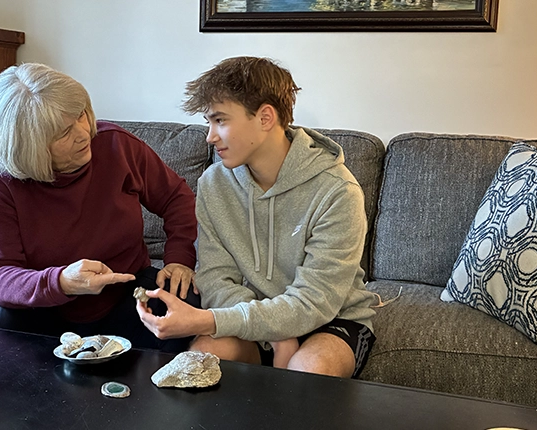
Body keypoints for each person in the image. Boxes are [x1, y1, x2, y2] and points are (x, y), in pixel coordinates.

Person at [136, 56, 379, 377]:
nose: (210, 136)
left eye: (220, 120)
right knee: (204, 358)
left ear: (265, 117)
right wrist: (277, 335)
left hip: (331, 318)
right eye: (209, 122)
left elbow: (314, 301)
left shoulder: (337, 191)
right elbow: (215, 276)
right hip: (249, 310)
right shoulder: (213, 183)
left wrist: (207, 320)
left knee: (309, 370)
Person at [0, 62, 199, 352]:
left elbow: (176, 197)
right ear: (29, 146)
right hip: (40, 310)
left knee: (190, 305)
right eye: (64, 132)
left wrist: (179, 258)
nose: (82, 132)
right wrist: (61, 281)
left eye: (81, 114)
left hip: (126, 294)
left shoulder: (116, 145)